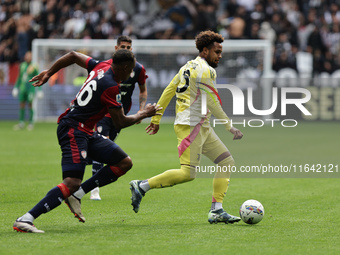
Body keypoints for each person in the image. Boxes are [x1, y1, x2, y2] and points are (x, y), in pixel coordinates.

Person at [13, 49, 161, 233]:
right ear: (124, 68)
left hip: (85, 130)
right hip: (74, 130)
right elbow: (120, 122)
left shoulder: (101, 65)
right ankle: (26, 219)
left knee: (124, 163)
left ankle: (78, 194)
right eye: (130, 71)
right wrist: (144, 114)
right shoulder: (111, 86)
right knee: (71, 181)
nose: (130, 75)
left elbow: (74, 55)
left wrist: (49, 72)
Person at [129, 30, 244, 224]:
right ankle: (142, 186)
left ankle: (217, 210)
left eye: (220, 51)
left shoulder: (186, 68)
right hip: (191, 126)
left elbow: (169, 90)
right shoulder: (207, 71)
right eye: (217, 51)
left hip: (201, 125)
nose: (220, 55)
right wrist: (229, 126)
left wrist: (156, 119)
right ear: (205, 50)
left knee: (226, 162)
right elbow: (213, 102)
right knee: (188, 173)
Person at [90, 35, 148, 201]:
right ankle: (94, 189)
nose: (126, 49)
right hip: (103, 113)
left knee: (105, 150)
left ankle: (87, 159)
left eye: (129, 47)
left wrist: (141, 111)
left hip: (120, 115)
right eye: (122, 46)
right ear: (116, 48)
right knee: (103, 144)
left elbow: (143, 90)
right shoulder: (106, 66)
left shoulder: (138, 69)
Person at [12, 51, 42, 131]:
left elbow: (39, 78)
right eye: (27, 56)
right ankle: (21, 123)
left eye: (29, 56)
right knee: (21, 104)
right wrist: (15, 87)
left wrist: (39, 90)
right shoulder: (22, 65)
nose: (28, 57)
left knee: (30, 104)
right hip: (23, 88)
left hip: (31, 89)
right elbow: (19, 77)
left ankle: (31, 123)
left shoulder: (34, 66)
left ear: (31, 57)